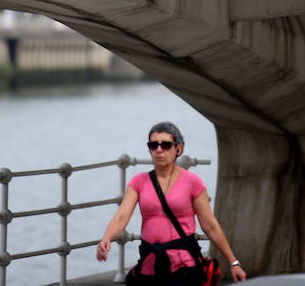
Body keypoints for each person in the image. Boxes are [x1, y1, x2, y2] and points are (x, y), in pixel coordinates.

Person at [97, 122, 247, 284]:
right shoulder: (139, 182)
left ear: (178, 149)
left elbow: (210, 225)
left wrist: (234, 262)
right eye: (154, 145)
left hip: (184, 264)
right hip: (150, 263)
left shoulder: (193, 182)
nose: (159, 150)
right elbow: (122, 216)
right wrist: (107, 238)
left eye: (166, 145)